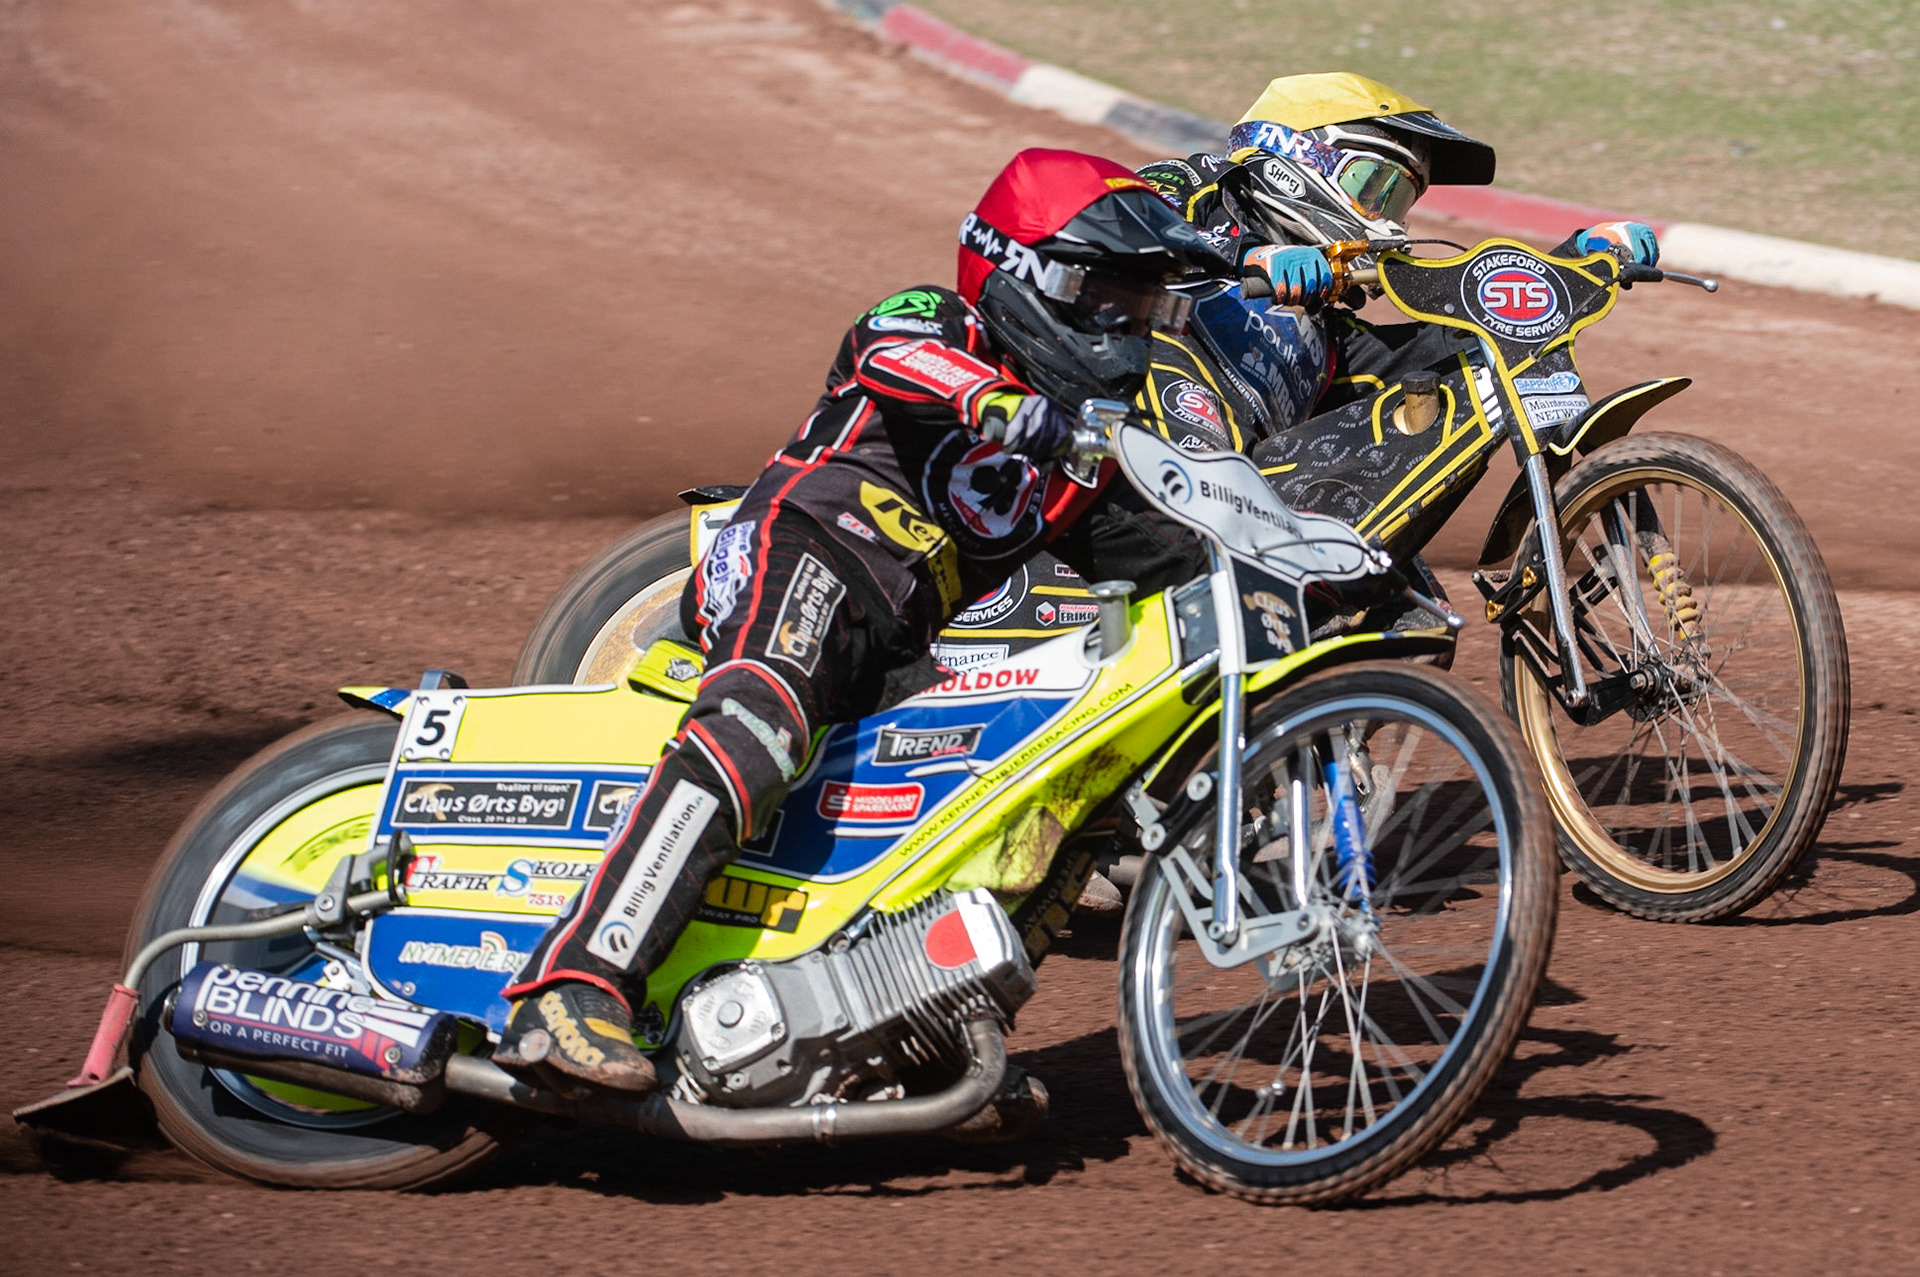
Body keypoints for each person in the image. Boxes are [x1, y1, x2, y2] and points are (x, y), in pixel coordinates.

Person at [490, 148, 1233, 1095]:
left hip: (897, 647)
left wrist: (1318, 566)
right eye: (1108, 295)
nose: (1125, 324)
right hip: (799, 549)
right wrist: (998, 403)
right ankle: (573, 985)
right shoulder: (933, 318)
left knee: (1052, 780)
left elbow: (1181, 553)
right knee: (762, 720)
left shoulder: (1082, 466)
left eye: (1142, 304)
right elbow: (898, 359)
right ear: (1028, 272)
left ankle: (920, 1028)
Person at [1131, 70, 1661, 614]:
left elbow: (1458, 341)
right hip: (1147, 429)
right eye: (1373, 187)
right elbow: (1135, 213)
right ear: (1292, 161)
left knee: (1414, 619)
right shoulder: (1195, 181)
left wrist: (1574, 261)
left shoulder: (1322, 335)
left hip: (1253, 498)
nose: (1389, 221)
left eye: (1400, 199)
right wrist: (1251, 254)